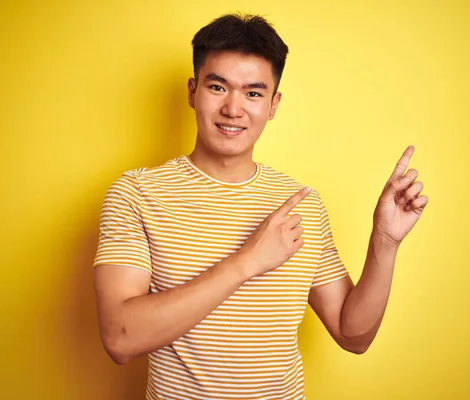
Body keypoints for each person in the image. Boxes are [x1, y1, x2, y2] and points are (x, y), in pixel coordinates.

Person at [92, 13, 428, 400]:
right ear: (192, 91)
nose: (234, 109)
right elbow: (119, 338)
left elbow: (353, 335)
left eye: (253, 93)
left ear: (273, 104)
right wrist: (248, 261)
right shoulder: (136, 193)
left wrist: (385, 241)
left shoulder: (302, 204)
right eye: (217, 87)